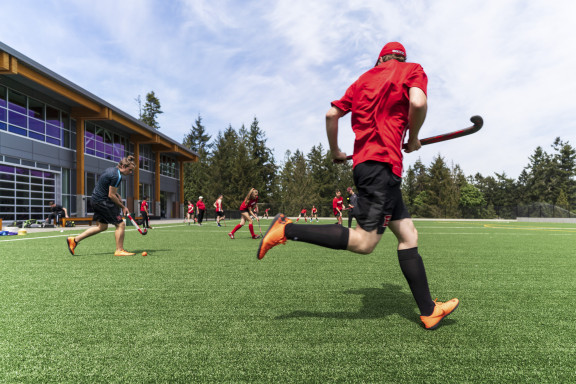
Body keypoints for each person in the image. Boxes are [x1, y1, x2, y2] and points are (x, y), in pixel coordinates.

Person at [257, 42, 459, 330]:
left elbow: (331, 115)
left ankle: (429, 311)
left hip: (367, 165)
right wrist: (414, 137)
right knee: (364, 243)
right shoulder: (412, 70)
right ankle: (286, 229)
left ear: (380, 59)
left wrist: (335, 151)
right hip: (383, 166)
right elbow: (417, 103)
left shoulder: (362, 80)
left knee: (408, 233)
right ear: (402, 57)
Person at [67, 156, 136, 256]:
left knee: (102, 227)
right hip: (103, 202)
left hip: (95, 200)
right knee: (120, 224)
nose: (130, 173)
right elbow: (111, 195)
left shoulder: (110, 170)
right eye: (130, 170)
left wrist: (117, 195)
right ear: (123, 166)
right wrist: (123, 207)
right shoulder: (117, 176)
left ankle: (74, 240)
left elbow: (106, 187)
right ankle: (119, 250)